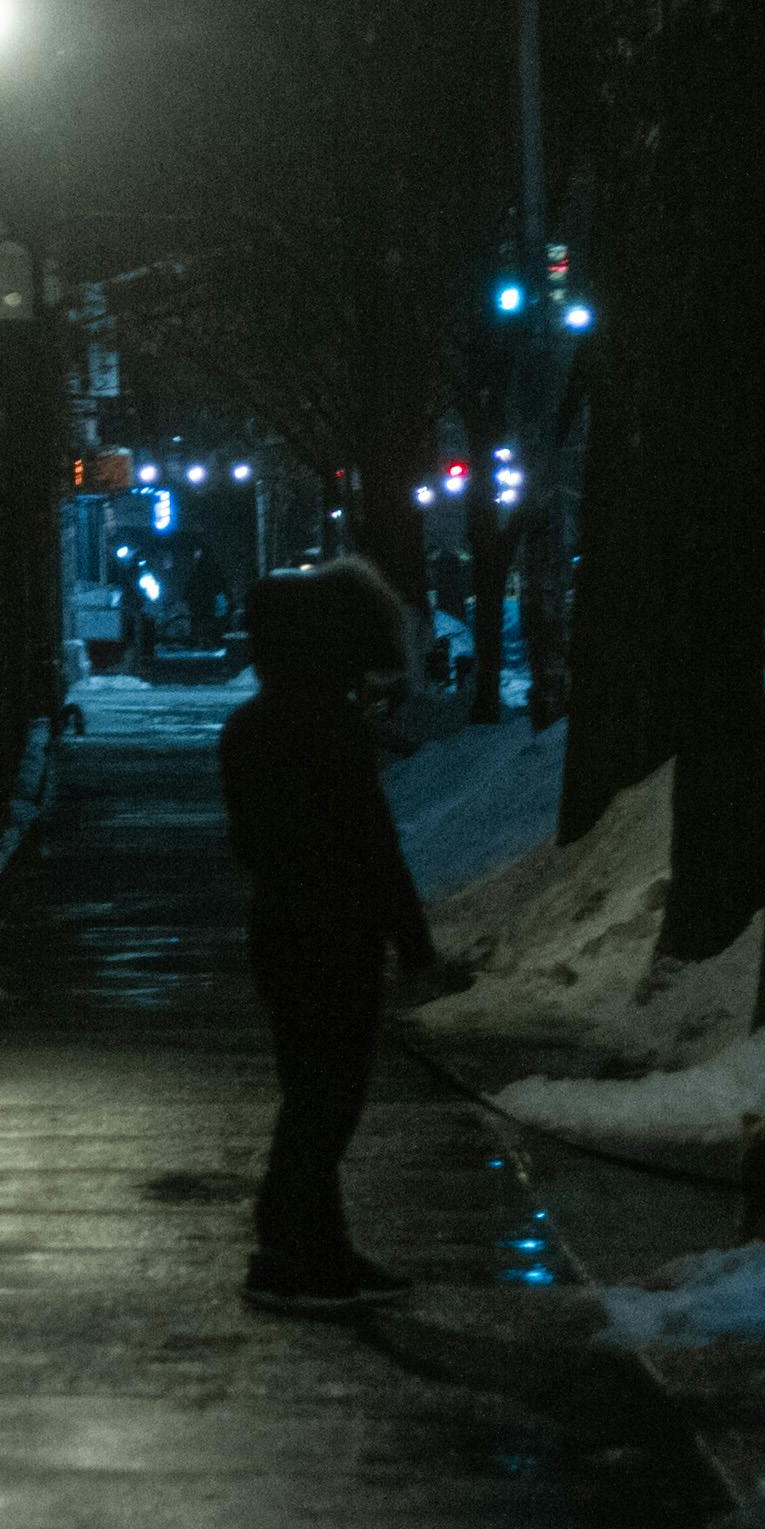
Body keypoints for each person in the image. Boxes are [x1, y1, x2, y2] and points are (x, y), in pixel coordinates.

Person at [216, 561, 471, 1314]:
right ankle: (288, 1247)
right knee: (328, 1103)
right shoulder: (329, 728)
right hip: (335, 936)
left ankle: (317, 1248)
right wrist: (415, 947)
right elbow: (375, 845)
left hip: (283, 930)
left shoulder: (252, 726)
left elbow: (249, 846)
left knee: (311, 1094)